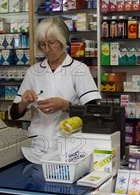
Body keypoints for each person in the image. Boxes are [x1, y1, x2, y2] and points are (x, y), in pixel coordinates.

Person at [10, 16, 101, 152]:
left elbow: (94, 113)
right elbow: (14, 114)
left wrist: (66, 106)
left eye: (52, 43)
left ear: (63, 41)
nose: (47, 49)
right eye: (42, 44)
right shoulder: (33, 72)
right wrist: (23, 102)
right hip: (38, 145)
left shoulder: (78, 70)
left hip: (69, 145)